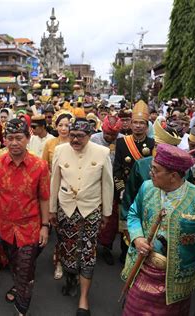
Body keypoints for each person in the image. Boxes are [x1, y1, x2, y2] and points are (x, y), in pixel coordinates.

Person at [121, 143, 195, 315]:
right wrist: (137, 238)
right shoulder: (147, 187)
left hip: (176, 282)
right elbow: (133, 213)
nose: (150, 172)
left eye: (155, 169)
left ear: (173, 175)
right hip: (141, 270)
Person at [0, 118, 50, 316]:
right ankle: (18, 286)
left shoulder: (40, 165)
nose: (14, 143)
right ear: (4, 140)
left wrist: (45, 226)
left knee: (25, 271)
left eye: (19, 138)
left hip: (30, 228)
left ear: (28, 138)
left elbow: (44, 198)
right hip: (4, 228)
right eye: (10, 138)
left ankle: (22, 309)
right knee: (15, 265)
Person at [50, 118, 114, 316]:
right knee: (67, 249)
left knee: (87, 252)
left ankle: (83, 298)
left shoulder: (102, 152)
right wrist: (52, 209)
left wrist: (106, 214)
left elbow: (107, 184)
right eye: (72, 135)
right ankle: (71, 279)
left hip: (91, 209)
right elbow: (54, 181)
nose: (75, 140)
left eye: (80, 136)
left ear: (89, 135)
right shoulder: (60, 150)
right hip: (66, 208)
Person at [114, 100, 154, 262]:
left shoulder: (152, 144)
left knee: (144, 224)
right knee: (126, 224)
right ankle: (125, 253)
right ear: (130, 124)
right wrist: (121, 189)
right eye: (135, 123)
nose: (138, 126)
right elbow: (117, 168)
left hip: (144, 190)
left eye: (141, 123)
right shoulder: (122, 142)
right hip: (127, 191)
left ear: (147, 125)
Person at [41, 110, 73, 279]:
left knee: (71, 228)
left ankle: (72, 261)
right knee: (59, 228)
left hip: (72, 191)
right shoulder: (50, 144)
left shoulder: (76, 143)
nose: (63, 128)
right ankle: (58, 262)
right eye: (60, 125)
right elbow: (44, 167)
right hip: (54, 189)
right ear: (55, 126)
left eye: (67, 125)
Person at [91, 115, 123, 265]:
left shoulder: (123, 140)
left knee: (111, 218)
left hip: (115, 184)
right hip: (95, 183)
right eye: (107, 134)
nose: (110, 137)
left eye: (113, 135)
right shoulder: (93, 139)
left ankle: (106, 247)